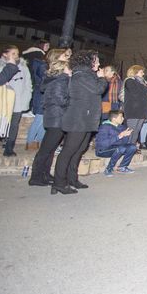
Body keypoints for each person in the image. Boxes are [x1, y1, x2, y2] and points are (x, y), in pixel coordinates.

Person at [52, 50, 107, 195]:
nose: (99, 64)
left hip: (86, 118)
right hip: (78, 119)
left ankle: (72, 178)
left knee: (79, 150)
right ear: (88, 61)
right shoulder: (82, 75)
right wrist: (102, 78)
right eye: (97, 60)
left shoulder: (87, 75)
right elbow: (98, 89)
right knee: (68, 151)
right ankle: (58, 183)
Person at [29, 52, 71, 186]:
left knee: (51, 149)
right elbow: (60, 99)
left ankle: (45, 174)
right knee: (46, 149)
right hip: (56, 117)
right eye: (68, 68)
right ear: (62, 69)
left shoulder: (58, 79)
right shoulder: (60, 81)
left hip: (56, 116)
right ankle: (36, 177)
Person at [0, 46, 32, 157]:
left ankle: (9, 148)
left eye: (17, 53)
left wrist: (26, 98)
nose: (16, 56)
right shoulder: (1, 66)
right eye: (13, 53)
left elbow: (28, 84)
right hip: (3, 102)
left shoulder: (23, 67)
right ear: (5, 54)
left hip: (17, 102)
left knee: (14, 126)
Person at [121, 65, 147, 148]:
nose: (143, 74)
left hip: (141, 110)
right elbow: (136, 93)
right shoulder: (130, 81)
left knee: (136, 131)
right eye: (141, 72)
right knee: (131, 131)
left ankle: (131, 147)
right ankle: (126, 148)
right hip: (133, 110)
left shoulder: (142, 82)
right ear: (135, 72)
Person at [24, 44, 50, 150]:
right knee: (39, 120)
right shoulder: (42, 65)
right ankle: (30, 142)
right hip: (41, 97)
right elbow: (44, 80)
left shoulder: (42, 65)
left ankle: (38, 142)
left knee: (44, 121)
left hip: (45, 96)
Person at [95, 110, 136, 176]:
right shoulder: (104, 127)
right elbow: (102, 144)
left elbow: (124, 143)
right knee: (121, 148)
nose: (123, 118)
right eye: (121, 117)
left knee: (132, 147)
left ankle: (122, 167)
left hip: (117, 148)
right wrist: (119, 136)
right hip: (102, 150)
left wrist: (126, 136)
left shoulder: (121, 127)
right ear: (114, 119)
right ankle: (109, 169)